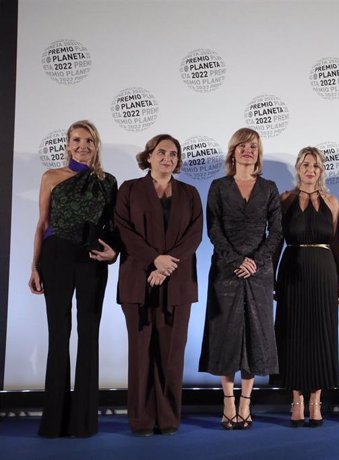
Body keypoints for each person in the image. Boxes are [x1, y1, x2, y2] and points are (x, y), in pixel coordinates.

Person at [28, 120, 118, 438]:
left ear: (96, 146)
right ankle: (54, 420)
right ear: (67, 144)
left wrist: (114, 253)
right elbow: (42, 224)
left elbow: (113, 228)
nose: (83, 145)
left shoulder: (108, 182)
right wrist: (34, 266)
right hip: (56, 258)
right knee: (58, 335)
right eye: (77, 140)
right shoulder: (51, 177)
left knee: (89, 334)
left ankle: (83, 422)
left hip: (92, 260)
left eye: (89, 140)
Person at [114, 134, 203, 436]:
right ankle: (140, 420)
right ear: (148, 156)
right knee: (140, 353)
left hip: (177, 283)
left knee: (171, 354)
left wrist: (165, 266)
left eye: (174, 154)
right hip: (137, 281)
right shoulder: (129, 189)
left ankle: (167, 419)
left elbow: (194, 236)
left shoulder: (190, 193)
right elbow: (123, 231)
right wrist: (154, 260)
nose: (168, 158)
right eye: (162, 152)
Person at [198, 127, 282, 430]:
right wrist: (236, 260)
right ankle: (228, 402)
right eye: (243, 146)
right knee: (227, 335)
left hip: (259, 274)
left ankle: (246, 402)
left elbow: (277, 233)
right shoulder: (219, 187)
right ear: (233, 151)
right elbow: (214, 229)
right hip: (226, 271)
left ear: (258, 154)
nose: (248, 150)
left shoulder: (269, 187)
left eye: (254, 146)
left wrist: (255, 262)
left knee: (254, 337)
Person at [274, 147, 339, 427]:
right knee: (292, 333)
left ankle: (316, 400)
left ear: (321, 170)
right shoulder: (284, 199)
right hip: (292, 269)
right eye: (305, 164)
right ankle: (296, 400)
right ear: (298, 168)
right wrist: (271, 276)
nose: (310, 170)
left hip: (324, 272)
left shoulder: (332, 201)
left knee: (321, 335)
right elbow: (277, 240)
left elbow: (337, 243)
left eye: (315, 165)